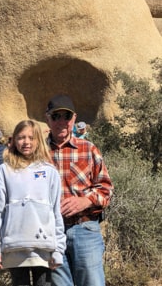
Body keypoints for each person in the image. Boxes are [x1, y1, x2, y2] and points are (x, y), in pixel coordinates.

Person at [0, 119, 66, 286]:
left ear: (38, 140)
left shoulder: (49, 172)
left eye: (31, 137)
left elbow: (55, 213)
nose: (26, 142)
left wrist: (58, 249)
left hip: (43, 247)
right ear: (14, 140)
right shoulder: (5, 170)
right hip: (14, 246)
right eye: (21, 137)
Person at [45, 95, 113, 286]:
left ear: (73, 118)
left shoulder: (88, 148)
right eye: (55, 116)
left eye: (66, 116)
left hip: (85, 229)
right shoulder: (38, 152)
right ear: (47, 119)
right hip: (51, 235)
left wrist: (85, 201)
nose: (61, 121)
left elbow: (106, 187)